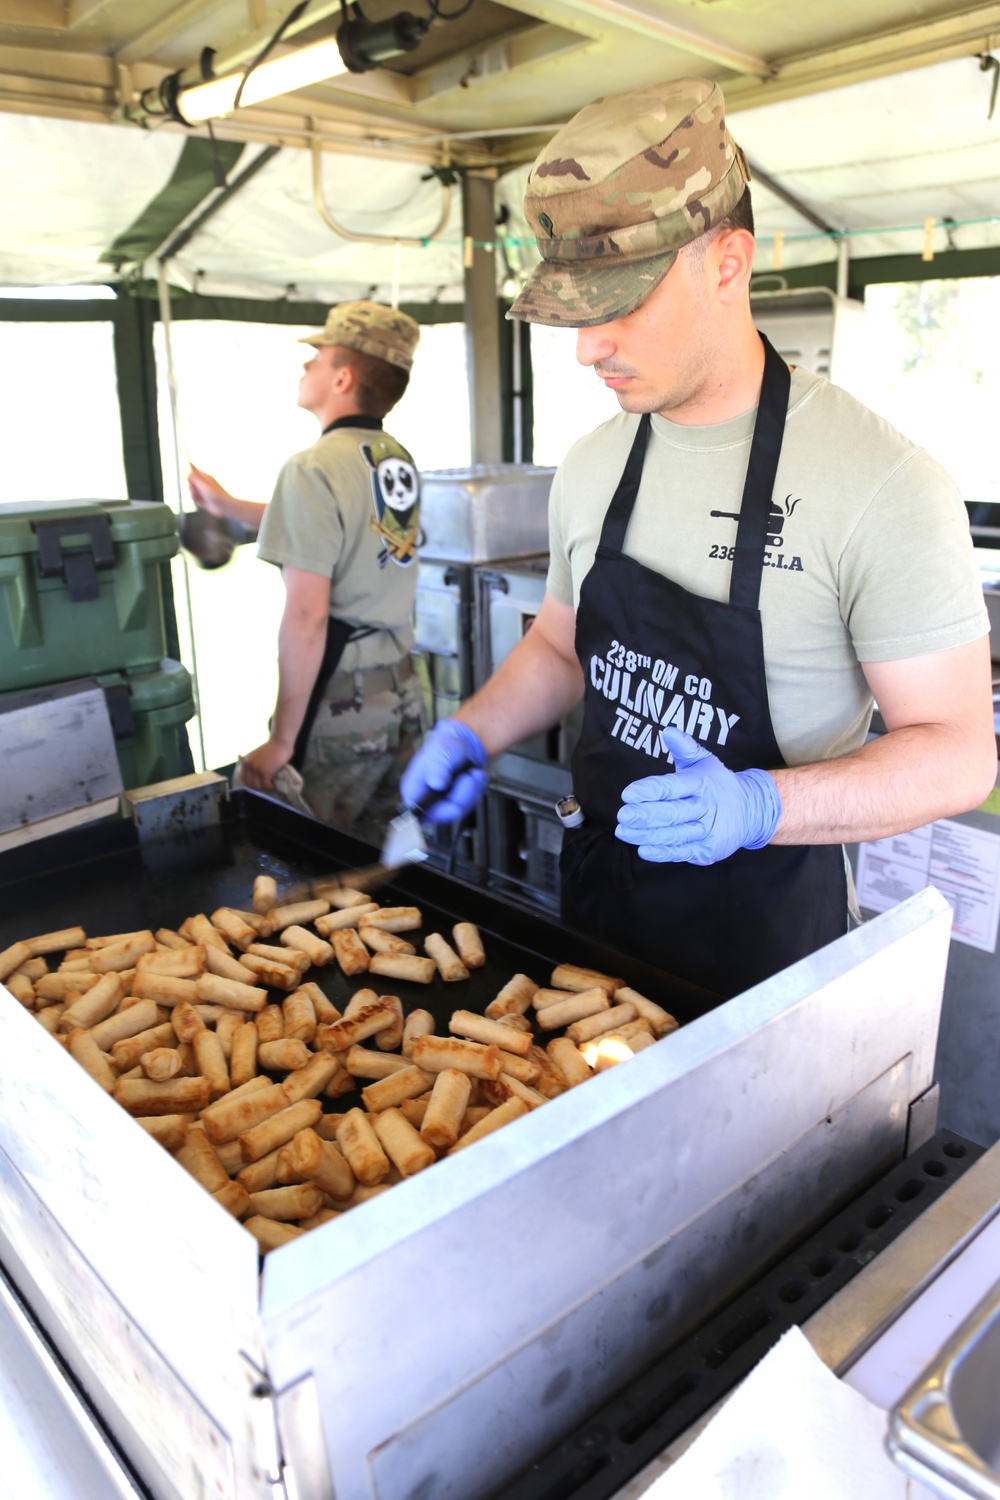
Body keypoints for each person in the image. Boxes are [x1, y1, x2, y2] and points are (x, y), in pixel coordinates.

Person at [400, 78, 997, 999]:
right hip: (598, 911)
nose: (587, 349)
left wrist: (761, 805)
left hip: (766, 950)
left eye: (620, 302)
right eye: (574, 309)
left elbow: (958, 752)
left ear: (728, 263)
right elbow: (562, 646)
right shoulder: (595, 462)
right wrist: (472, 731)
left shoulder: (884, 484)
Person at [188, 300, 426, 846]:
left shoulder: (310, 467)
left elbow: (306, 616)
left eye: (315, 358)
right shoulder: (392, 457)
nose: (305, 367)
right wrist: (229, 507)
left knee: (312, 867)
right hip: (401, 695)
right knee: (380, 866)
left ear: (342, 377)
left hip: (342, 706)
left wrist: (282, 740)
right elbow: (341, 530)